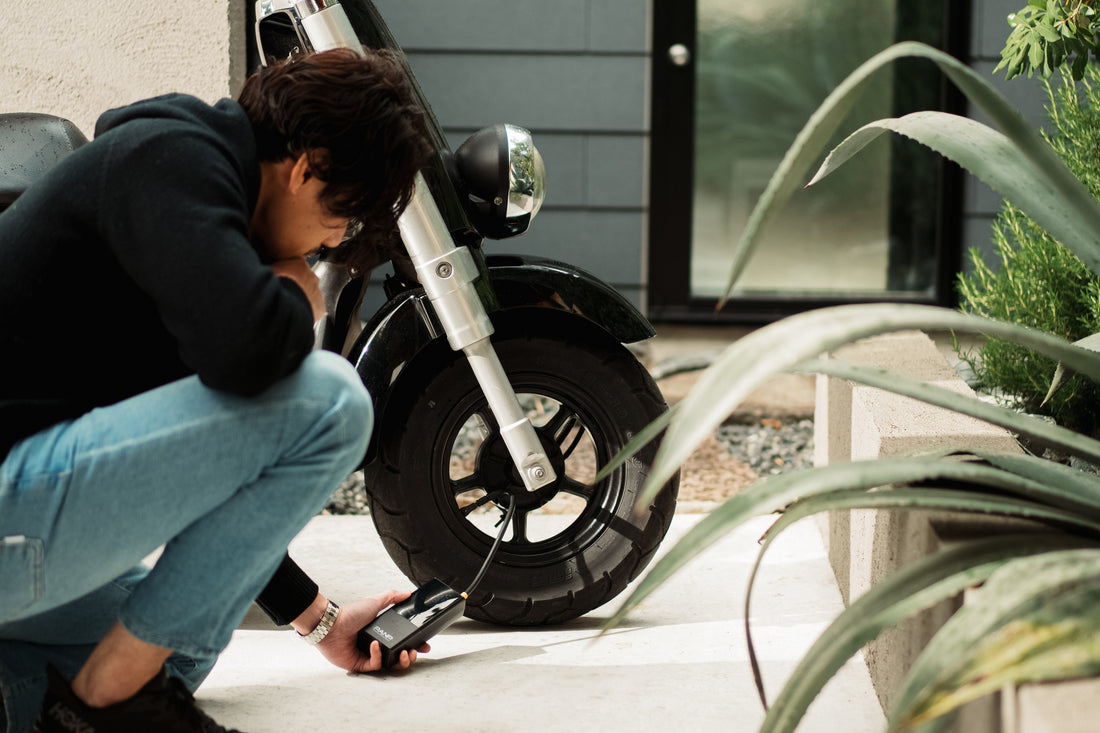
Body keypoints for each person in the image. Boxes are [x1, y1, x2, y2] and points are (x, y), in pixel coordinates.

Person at [0, 47, 432, 733]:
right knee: (332, 401)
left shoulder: (193, 228)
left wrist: (321, 622)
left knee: (173, 642)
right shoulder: (171, 156)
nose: (328, 246)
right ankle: (100, 705)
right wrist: (298, 293)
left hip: (23, 517)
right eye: (341, 222)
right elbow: (252, 350)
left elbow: (217, 483)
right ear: (305, 169)